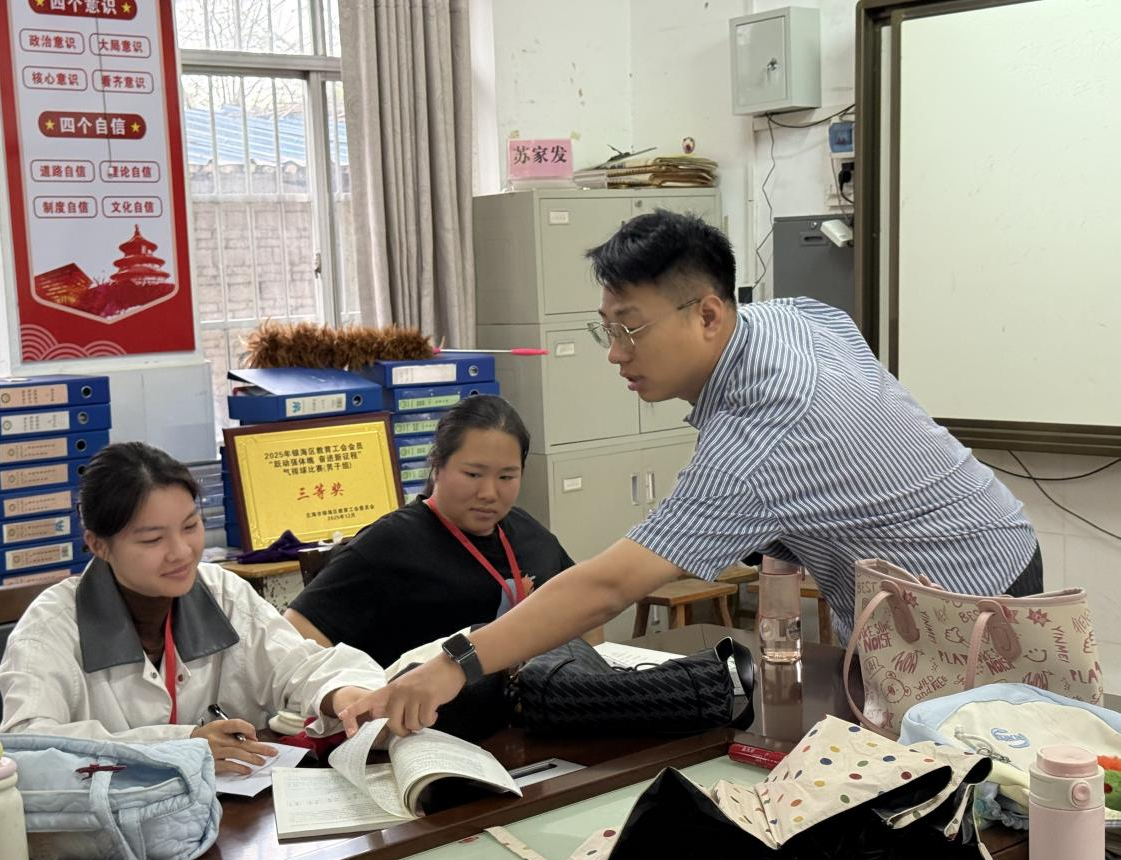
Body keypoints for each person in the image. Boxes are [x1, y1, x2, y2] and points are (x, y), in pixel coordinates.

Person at [341, 209, 1041, 736]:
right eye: (607, 327)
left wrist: (455, 663)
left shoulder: (765, 433)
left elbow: (609, 585)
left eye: (630, 327)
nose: (615, 352)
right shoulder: (791, 316)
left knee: (961, 790)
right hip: (985, 544)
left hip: (959, 608)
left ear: (707, 314)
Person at [0, 441, 386, 775]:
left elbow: (299, 666)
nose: (181, 552)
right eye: (152, 540)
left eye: (190, 526)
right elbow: (26, 749)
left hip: (230, 815)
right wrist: (182, 745)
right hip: (108, 829)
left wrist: (341, 692)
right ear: (98, 544)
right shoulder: (51, 627)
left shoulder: (221, 591)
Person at [284, 394, 592, 669]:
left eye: (506, 477)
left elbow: (586, 608)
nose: (489, 493)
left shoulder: (530, 533)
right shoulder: (389, 544)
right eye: (473, 474)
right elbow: (296, 635)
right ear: (437, 465)